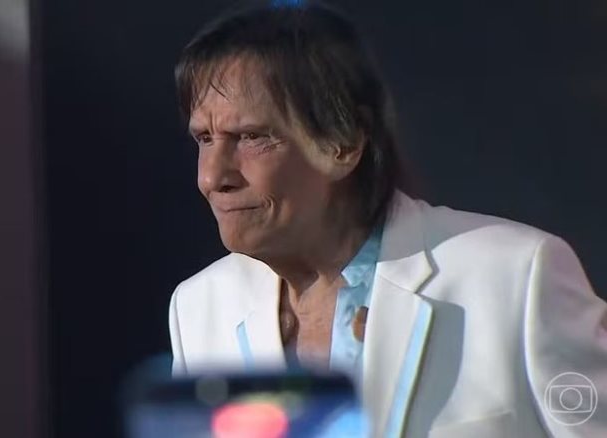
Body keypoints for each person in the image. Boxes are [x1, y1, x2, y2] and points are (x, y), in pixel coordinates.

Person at [168, 2, 607, 436]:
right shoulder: (198, 308)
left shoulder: (519, 276)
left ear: (342, 143)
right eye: (204, 139)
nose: (211, 177)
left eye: (251, 137)